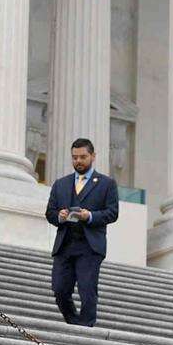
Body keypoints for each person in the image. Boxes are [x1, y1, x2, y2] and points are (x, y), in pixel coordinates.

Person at [44, 136, 117, 326]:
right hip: (65, 244)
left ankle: (86, 327)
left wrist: (90, 216)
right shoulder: (60, 184)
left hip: (90, 246)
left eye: (83, 157)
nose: (78, 161)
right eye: (75, 157)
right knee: (59, 289)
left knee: (87, 289)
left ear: (93, 156)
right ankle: (74, 321)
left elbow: (112, 213)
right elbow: (50, 212)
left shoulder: (106, 183)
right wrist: (59, 216)